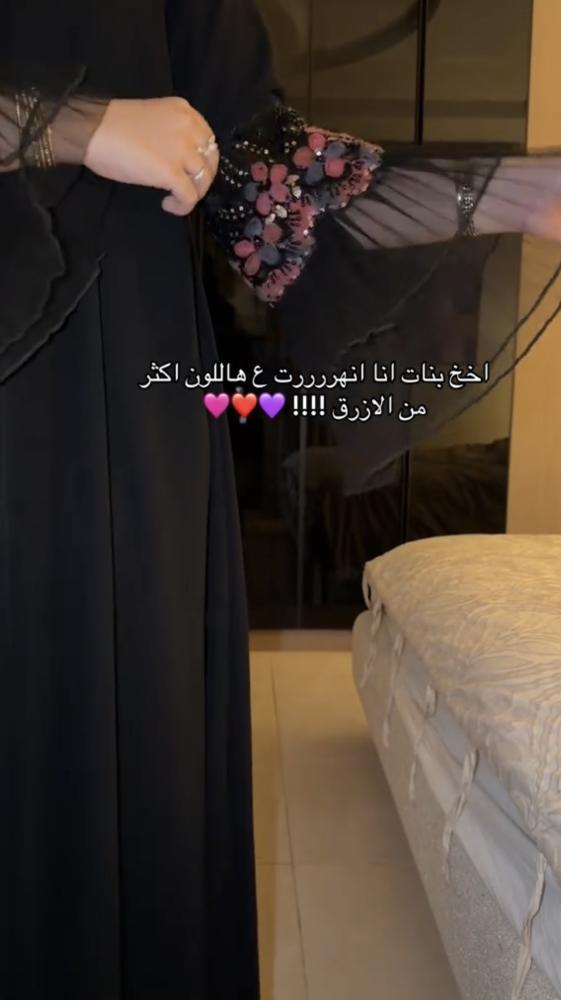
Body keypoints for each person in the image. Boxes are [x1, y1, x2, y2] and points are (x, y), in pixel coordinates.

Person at [2, 1, 561, 998]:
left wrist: (522, 192)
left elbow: (274, 191)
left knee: (144, 771)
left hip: (141, 425)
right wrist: (75, 126)